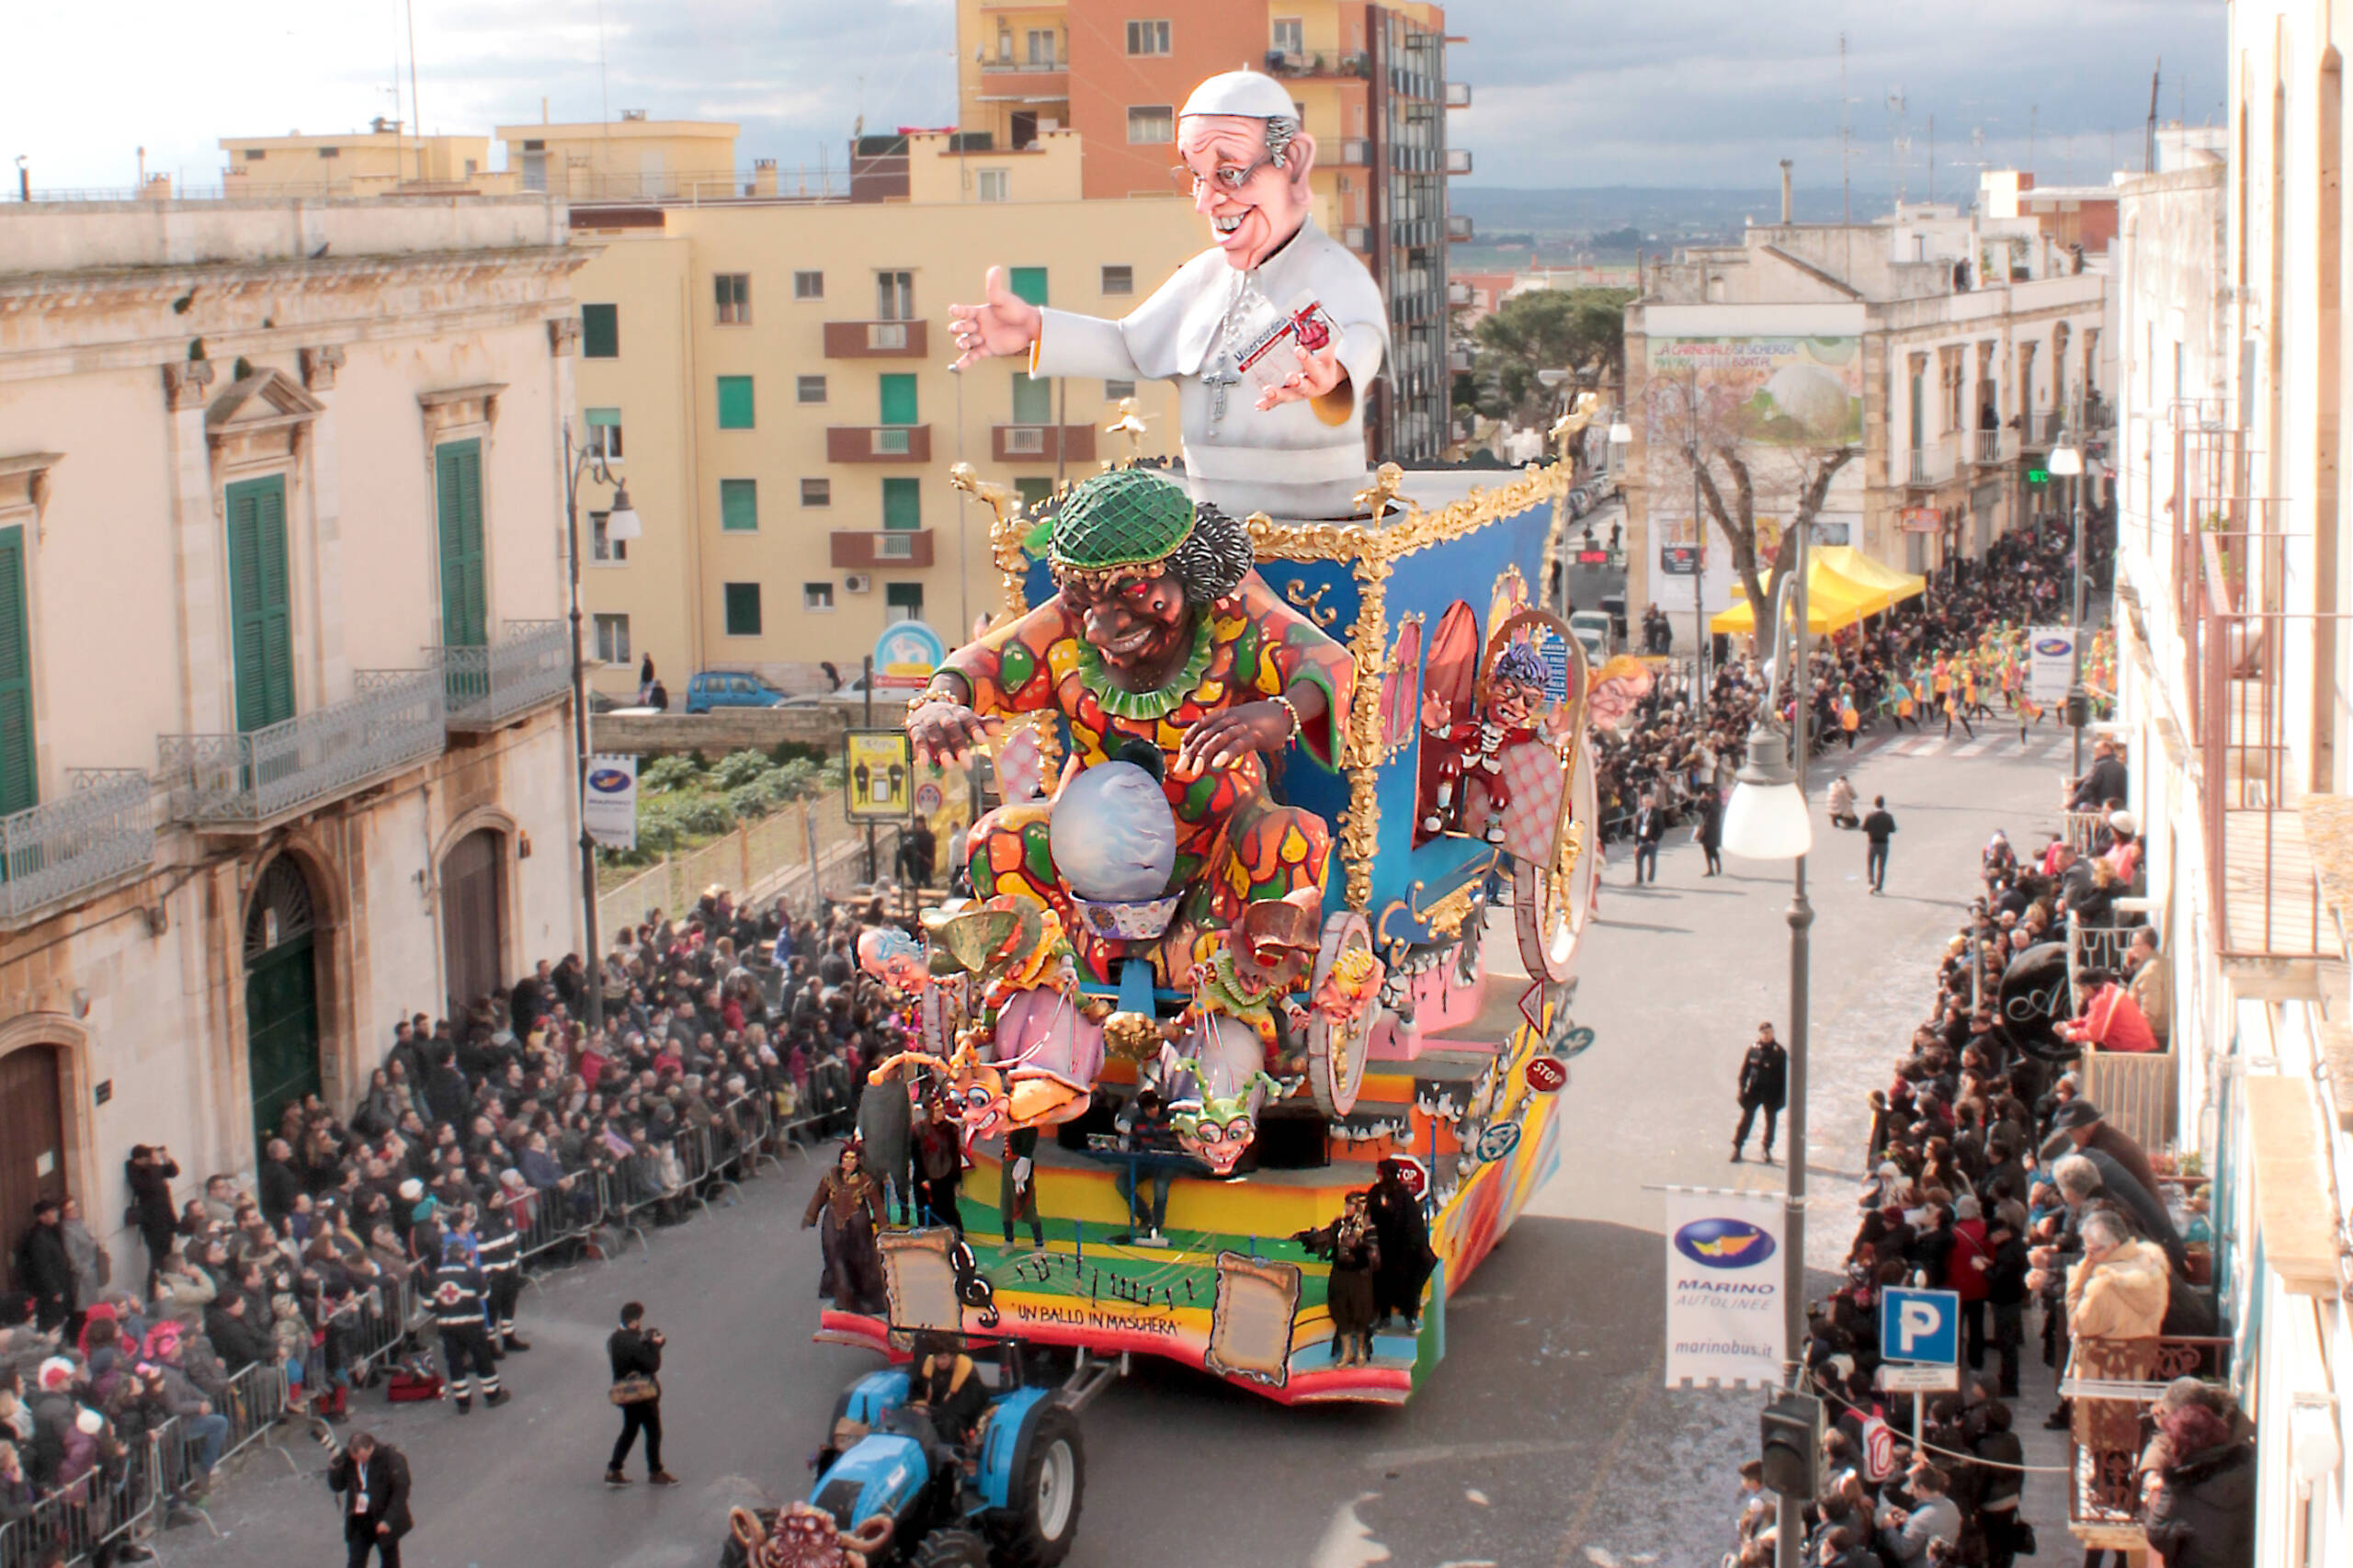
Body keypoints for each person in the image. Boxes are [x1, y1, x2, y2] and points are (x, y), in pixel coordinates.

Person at [949, 70, 1388, 520]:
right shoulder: (1204, 276)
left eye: (1229, 173)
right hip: (1211, 537)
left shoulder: (1334, 270)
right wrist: (1034, 329)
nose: (1205, 201)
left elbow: (1362, 335)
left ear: (1292, 161)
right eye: (1196, 176)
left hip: (1319, 534)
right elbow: (1130, 346)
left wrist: (1333, 374)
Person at [1293, 1190, 1381, 1367]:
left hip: (1360, 1276)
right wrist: (1309, 1238)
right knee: (1341, 1312)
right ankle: (1347, 1352)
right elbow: (1326, 1236)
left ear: (1359, 1208)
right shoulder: (1339, 1225)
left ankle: (1361, 1351)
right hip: (1340, 1274)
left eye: (1350, 1205)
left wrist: (1358, 1246)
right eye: (1346, 1204)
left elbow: (1375, 1256)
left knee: (1361, 1313)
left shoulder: (1370, 1230)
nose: (1346, 1208)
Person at [801, 1142, 887, 1312]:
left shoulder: (865, 1181)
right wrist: (810, 1216)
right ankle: (843, 1298)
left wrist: (883, 1227)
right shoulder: (831, 1177)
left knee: (861, 1261)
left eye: (852, 1159)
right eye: (845, 1158)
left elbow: (876, 1205)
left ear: (858, 1161)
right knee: (836, 1260)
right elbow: (819, 1196)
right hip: (833, 1225)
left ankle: (863, 1297)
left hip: (858, 1230)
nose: (848, 1162)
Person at [427, 1236, 506, 1415]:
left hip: (447, 1326)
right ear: (463, 1255)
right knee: (482, 1359)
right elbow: (485, 1293)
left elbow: (428, 1304)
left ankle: (463, 1402)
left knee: (455, 1362)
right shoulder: (471, 1272)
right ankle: (493, 1394)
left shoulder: (435, 1275)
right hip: (471, 1324)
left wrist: (443, 1308)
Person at [605, 1301, 676, 1486]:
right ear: (635, 1321)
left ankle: (614, 1469)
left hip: (624, 1393)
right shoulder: (635, 1341)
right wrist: (656, 1345)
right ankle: (655, 1471)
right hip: (643, 1394)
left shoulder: (614, 1339)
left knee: (629, 1430)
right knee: (653, 1431)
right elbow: (652, 1364)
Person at [1365, 1159, 1436, 1331]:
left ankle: (1410, 1316)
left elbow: (1413, 1223)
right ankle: (1384, 1316)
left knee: (1408, 1283)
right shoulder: (1376, 1192)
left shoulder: (1403, 1195)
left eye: (1380, 1171)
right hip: (1383, 1247)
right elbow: (1370, 1215)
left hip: (1403, 1250)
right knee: (1381, 1282)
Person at [327, 1431, 413, 1568]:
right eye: (356, 1458)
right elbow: (337, 1485)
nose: (360, 1462)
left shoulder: (390, 1459)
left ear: (370, 1447)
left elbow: (401, 1492)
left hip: (383, 1518)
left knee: (390, 1562)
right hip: (359, 1521)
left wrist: (388, 1520)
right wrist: (334, 1467)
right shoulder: (348, 1459)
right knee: (355, 1562)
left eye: (363, 1458)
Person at [1114, 1089, 1178, 1240]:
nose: (1153, 1111)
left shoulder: (1171, 1119)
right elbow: (1134, 1143)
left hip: (1168, 1162)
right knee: (1122, 1182)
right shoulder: (1138, 1121)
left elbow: (1179, 1144)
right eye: (1149, 1109)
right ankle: (1145, 1218)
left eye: (1155, 1107)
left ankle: (1157, 1227)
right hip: (1146, 1161)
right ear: (1143, 1110)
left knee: (1160, 1186)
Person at [1875, 1461, 1961, 1566]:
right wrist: (1909, 1519)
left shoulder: (1920, 1519)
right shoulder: (1953, 1507)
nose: (1912, 1492)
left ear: (1922, 1489)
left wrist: (1889, 1528)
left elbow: (1903, 1551)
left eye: (1913, 1488)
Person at [13, 1200, 74, 1333]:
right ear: (42, 1216)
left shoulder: (53, 1231)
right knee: (53, 1323)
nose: (55, 1214)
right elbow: (43, 1267)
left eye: (55, 1210)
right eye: (51, 1212)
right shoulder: (38, 1237)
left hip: (60, 1285)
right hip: (49, 1292)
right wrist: (54, 1291)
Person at [1732, 1022, 1788, 1163]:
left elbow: (1783, 1078)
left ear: (1773, 1033)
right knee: (1746, 1119)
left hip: (1771, 1093)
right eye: (1764, 1033)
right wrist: (1741, 1090)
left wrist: (1781, 1099)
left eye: (1769, 1032)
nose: (1767, 1035)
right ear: (1760, 1034)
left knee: (1770, 1121)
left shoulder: (1779, 1052)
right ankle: (1738, 1147)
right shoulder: (1753, 1050)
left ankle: (1767, 1148)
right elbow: (1745, 1072)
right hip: (1754, 1091)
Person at [125, 1145, 181, 1288]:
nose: (152, 1159)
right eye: (149, 1157)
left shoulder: (151, 1169)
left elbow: (173, 1172)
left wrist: (165, 1158)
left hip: (165, 1220)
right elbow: (150, 1186)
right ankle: (156, 1290)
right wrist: (155, 1165)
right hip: (153, 1223)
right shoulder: (137, 1171)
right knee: (157, 1260)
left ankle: (166, 1286)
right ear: (140, 1159)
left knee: (166, 1258)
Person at [1862, 796, 1896, 893]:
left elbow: (1864, 828)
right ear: (1883, 804)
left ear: (1875, 803)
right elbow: (1892, 829)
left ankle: (1871, 883)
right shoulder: (1888, 816)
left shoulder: (1869, 815)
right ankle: (1879, 886)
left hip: (1872, 842)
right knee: (1881, 867)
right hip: (1884, 843)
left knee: (1870, 864)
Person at [1632, 791, 1664, 884]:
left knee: (1652, 862)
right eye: (1645, 802)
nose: (1647, 804)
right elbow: (1637, 828)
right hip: (1642, 840)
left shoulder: (1657, 812)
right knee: (1638, 860)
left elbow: (1661, 828)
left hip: (1651, 841)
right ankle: (1639, 879)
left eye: (1649, 802)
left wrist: (1654, 840)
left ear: (1652, 802)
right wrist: (1635, 843)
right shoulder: (1640, 812)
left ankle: (1650, 880)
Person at [1695, 790, 1724, 876]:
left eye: (1711, 794)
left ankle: (1718, 864)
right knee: (1706, 849)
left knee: (1712, 849)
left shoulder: (1717, 803)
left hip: (1713, 830)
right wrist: (1701, 799)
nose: (1709, 796)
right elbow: (1698, 808)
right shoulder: (1707, 802)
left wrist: (1708, 800)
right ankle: (1710, 869)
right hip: (1705, 829)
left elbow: (1715, 810)